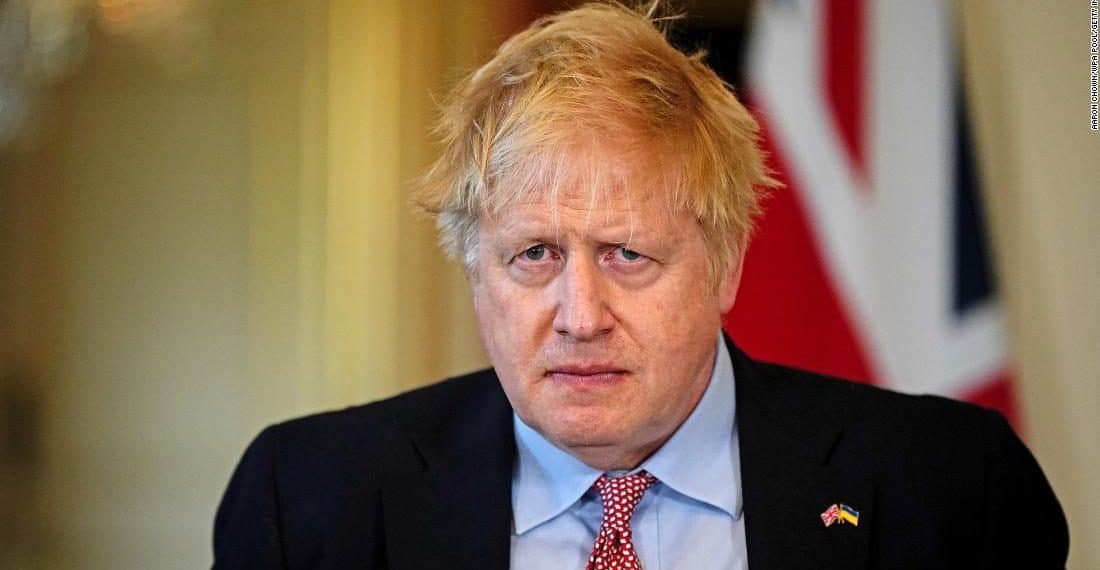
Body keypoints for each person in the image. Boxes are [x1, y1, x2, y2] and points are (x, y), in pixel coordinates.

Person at [212, 2, 1068, 568]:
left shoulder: (953, 489)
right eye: (535, 256)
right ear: (476, 270)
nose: (580, 318)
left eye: (627, 254)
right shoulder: (310, 503)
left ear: (727, 261)